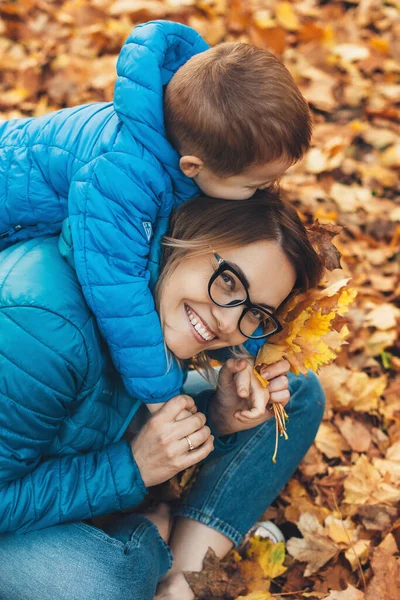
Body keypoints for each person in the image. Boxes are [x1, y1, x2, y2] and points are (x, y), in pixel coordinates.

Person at [0, 191, 325, 600]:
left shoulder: (152, 302)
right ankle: (151, 542)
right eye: (228, 280)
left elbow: (103, 412)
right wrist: (133, 469)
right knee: (107, 584)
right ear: (186, 234)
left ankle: (181, 581)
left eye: (255, 313)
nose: (228, 322)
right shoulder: (44, 328)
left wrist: (220, 416)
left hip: (49, 455)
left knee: (294, 395)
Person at [0, 20, 312, 416]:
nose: (262, 195)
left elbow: (233, 296)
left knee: (307, 392)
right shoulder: (121, 178)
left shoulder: (188, 129)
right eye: (253, 186)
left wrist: (251, 349)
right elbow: (116, 286)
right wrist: (162, 393)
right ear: (192, 167)